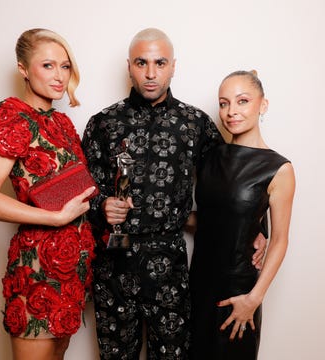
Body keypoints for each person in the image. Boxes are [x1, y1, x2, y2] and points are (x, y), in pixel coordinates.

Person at [82, 28, 266, 359]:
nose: (151, 73)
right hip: (113, 269)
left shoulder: (195, 124)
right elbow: (83, 190)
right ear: (129, 66)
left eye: (160, 62)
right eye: (142, 63)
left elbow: (234, 182)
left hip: (170, 268)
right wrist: (101, 205)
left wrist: (257, 228)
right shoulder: (103, 123)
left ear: (173, 66)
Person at [0, 28, 96, 360]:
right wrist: (54, 218)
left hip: (72, 270)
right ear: (23, 69)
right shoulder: (14, 116)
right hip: (37, 270)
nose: (59, 76)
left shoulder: (63, 124)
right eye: (48, 66)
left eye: (65, 67)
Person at [189, 70, 296, 359]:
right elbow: (210, 219)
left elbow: (280, 240)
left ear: (263, 105)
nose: (231, 111)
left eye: (242, 101)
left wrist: (253, 299)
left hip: (238, 292)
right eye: (224, 103)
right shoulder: (209, 157)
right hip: (197, 286)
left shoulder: (278, 168)